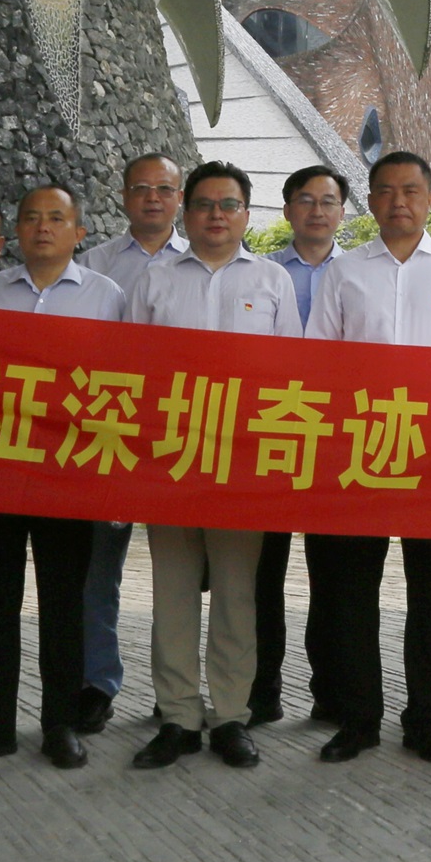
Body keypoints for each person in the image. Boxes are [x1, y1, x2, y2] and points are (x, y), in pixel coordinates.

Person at [304, 151, 431, 764]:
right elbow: (319, 360)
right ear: (370, 201)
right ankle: (358, 718)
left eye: (411, 190)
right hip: (359, 451)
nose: (398, 202)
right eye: (386, 191)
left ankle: (425, 719)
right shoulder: (345, 272)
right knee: (350, 591)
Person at [0, 183, 123, 772]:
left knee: (64, 603)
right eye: (32, 218)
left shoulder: (106, 297)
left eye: (56, 218)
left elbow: (121, 385)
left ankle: (60, 724)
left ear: (79, 232)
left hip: (68, 473)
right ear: (15, 231)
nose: (43, 228)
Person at [124, 162, 297, 771]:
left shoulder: (273, 281)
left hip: (242, 467)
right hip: (170, 461)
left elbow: (291, 377)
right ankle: (177, 716)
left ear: (247, 214)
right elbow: (131, 370)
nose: (216, 215)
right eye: (204, 204)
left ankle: (229, 716)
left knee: (235, 596)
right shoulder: (154, 279)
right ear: (186, 211)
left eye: (229, 204)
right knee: (172, 595)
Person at [76, 151, 190, 733]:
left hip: (182, 437)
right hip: (109, 435)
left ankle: (179, 694)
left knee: (182, 575)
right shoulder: (91, 267)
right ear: (123, 197)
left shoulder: (203, 264)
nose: (152, 198)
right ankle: (96, 684)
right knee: (98, 572)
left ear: (179, 199)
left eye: (164, 189)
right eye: (141, 188)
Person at [252, 164, 348, 733]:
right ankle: (260, 692)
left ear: (342, 212)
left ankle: (331, 692)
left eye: (328, 201)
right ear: (287, 210)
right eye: (305, 200)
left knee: (332, 577)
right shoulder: (260, 274)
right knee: (261, 575)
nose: (317, 211)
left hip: (339, 444)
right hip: (272, 437)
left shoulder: (361, 274)